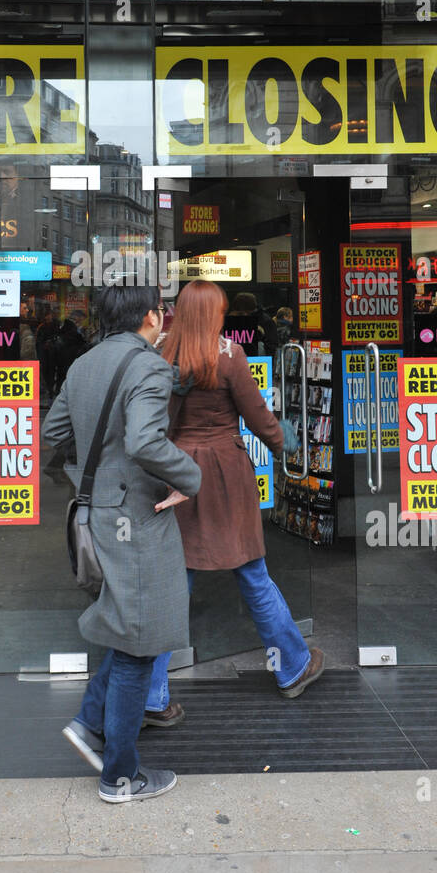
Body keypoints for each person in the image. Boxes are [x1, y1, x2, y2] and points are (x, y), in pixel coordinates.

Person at [42, 284, 202, 804]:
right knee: (140, 642)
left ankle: (90, 722)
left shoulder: (84, 365)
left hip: (95, 514)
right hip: (137, 517)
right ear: (151, 317)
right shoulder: (149, 366)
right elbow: (145, 441)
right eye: (163, 312)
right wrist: (191, 476)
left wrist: (92, 476)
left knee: (126, 624)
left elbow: (53, 431)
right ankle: (120, 777)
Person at [145, 279, 324, 721]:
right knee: (251, 571)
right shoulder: (229, 355)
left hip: (173, 472)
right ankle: (292, 667)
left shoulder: (160, 355)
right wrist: (287, 444)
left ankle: (150, 695)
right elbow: (259, 418)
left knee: (172, 584)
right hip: (223, 473)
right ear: (214, 314)